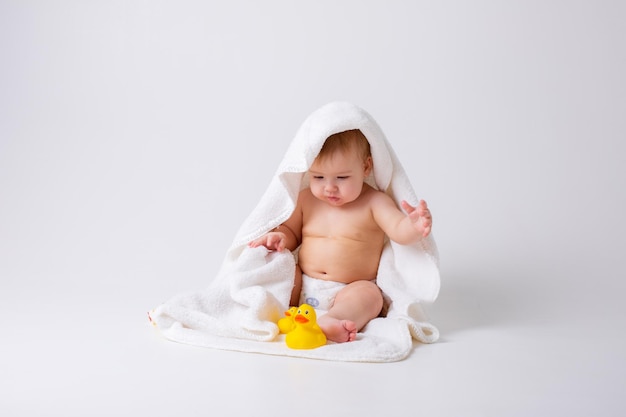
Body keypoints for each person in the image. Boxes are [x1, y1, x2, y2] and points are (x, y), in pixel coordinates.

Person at [248, 129, 432, 343]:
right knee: (284, 268)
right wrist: (280, 237)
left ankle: (333, 319)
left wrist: (413, 225)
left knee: (370, 295)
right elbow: (291, 233)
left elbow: (398, 229)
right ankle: (274, 311)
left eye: (342, 177)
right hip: (304, 286)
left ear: (365, 167)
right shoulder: (306, 199)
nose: (329, 188)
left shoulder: (375, 202)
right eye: (318, 177)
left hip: (350, 289)